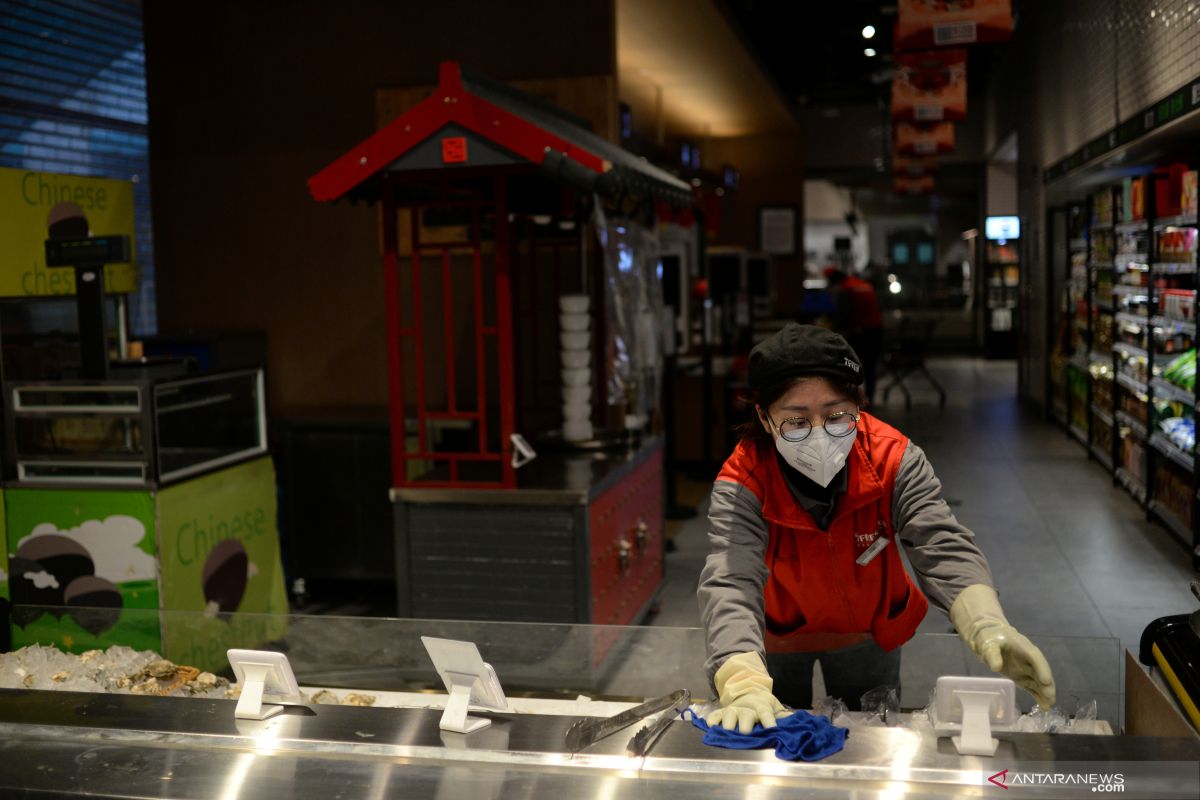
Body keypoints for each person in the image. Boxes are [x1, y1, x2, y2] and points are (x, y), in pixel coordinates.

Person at [698, 324, 1055, 733]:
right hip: (772, 635)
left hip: (866, 631)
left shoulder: (893, 459)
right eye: (796, 421)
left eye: (837, 416)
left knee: (869, 737)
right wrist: (742, 680)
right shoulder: (744, 479)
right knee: (769, 734)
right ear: (764, 417)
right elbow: (731, 579)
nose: (819, 434)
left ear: (860, 405)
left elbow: (939, 540)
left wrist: (986, 621)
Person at [825, 267, 884, 403]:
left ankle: (852, 398)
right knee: (870, 366)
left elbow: (844, 313)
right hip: (876, 329)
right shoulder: (863, 284)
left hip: (859, 331)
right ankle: (870, 397)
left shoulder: (846, 288)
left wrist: (833, 327)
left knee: (849, 364)